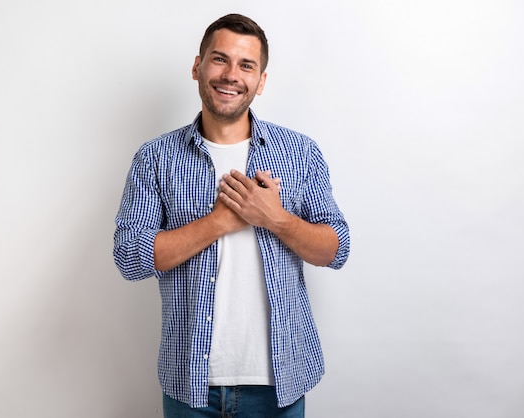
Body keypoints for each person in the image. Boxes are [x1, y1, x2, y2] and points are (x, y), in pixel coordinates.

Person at [114, 13, 350, 418]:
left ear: (261, 81)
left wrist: (275, 219)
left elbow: (336, 249)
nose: (231, 75)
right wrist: (219, 222)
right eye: (219, 59)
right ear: (197, 66)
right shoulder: (155, 158)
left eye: (246, 65)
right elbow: (130, 259)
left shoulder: (299, 153)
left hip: (280, 386)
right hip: (191, 388)